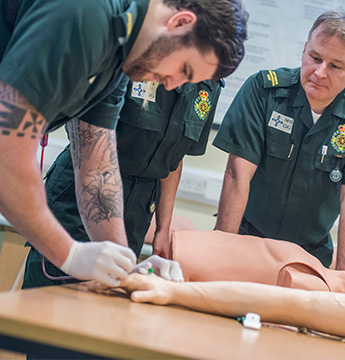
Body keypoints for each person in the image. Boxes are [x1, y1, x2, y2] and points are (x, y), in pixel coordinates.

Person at [0, 0, 248, 287]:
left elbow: (96, 167)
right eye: (184, 69)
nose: (171, 84)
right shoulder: (88, 13)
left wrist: (123, 265)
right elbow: (7, 154)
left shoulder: (120, 61)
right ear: (180, 22)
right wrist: (70, 254)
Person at [22, 79, 223, 288]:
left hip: (140, 203)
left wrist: (162, 229)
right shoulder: (131, 64)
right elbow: (93, 154)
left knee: (107, 293)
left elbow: (173, 161)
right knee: (52, 289)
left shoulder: (209, 87)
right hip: (85, 183)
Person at [213, 10, 345, 269]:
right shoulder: (264, 91)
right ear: (305, 48)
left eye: (335, 66)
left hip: (309, 256)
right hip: (246, 240)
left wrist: (342, 276)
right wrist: (220, 253)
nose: (319, 72)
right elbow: (237, 175)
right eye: (314, 57)